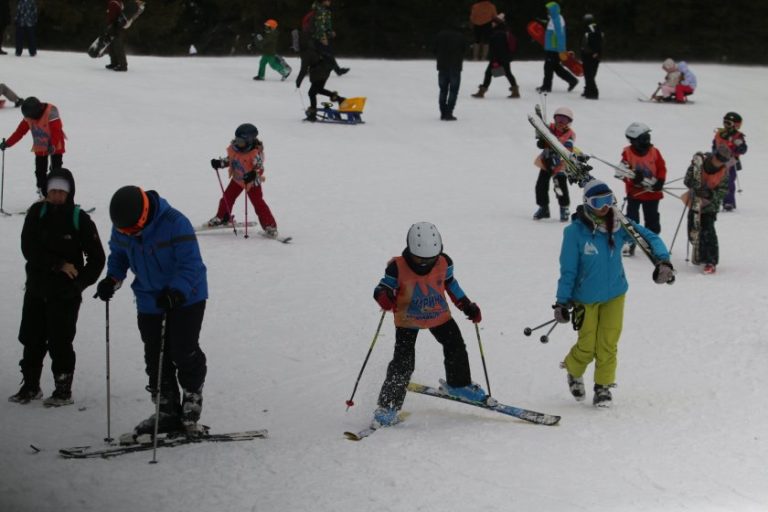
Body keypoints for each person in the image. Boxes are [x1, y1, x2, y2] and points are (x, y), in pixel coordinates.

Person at [96, 185, 209, 436]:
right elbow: (119, 255)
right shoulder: (123, 225)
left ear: (144, 216)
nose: (129, 235)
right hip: (149, 298)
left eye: (133, 230)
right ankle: (166, 408)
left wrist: (176, 291)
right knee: (155, 354)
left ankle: (192, 397)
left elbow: (192, 264)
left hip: (187, 295)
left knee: (182, 349)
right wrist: (112, 279)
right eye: (125, 231)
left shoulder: (176, 223)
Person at [556, 180, 674, 408]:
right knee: (587, 345)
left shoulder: (620, 226)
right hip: (585, 298)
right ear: (587, 203)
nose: (604, 207)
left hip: (615, 294)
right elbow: (568, 270)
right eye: (598, 202)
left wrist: (663, 260)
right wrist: (562, 301)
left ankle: (603, 387)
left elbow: (649, 237)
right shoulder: (574, 233)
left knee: (608, 343)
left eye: (608, 201)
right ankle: (574, 369)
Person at [371, 222, 485, 427]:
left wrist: (467, 305)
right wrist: (383, 296)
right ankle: (388, 405)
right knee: (403, 361)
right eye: (419, 259)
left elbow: (451, 284)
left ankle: (458, 384)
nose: (424, 264)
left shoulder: (444, 262)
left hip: (438, 314)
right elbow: (382, 287)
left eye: (430, 259)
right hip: (408, 318)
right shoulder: (397, 267)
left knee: (455, 346)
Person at [10, 168, 105, 406]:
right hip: (36, 288)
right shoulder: (36, 213)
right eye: (53, 190)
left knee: (60, 341)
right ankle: (30, 386)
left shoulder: (79, 218)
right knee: (31, 338)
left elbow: (97, 259)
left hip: (64, 294)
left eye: (62, 191)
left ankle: (63, 391)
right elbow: (28, 249)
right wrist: (58, 264)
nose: (57, 195)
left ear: (70, 193)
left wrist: (80, 284)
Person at [208, 123, 279, 237]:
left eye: (241, 141)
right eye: (237, 140)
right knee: (227, 198)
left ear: (249, 141)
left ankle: (270, 226)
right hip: (237, 179)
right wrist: (220, 163)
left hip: (252, 183)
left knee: (258, 203)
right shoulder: (235, 149)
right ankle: (222, 217)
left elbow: (260, 168)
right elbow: (231, 160)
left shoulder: (254, 153)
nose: (238, 143)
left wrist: (252, 174)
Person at [0, 97, 66, 196]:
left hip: (56, 145)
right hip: (40, 145)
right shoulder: (29, 116)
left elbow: (56, 130)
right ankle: (42, 192)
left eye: (32, 117)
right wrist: (8, 143)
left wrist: (53, 145)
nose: (30, 119)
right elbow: (20, 132)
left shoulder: (51, 111)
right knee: (40, 171)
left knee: (56, 170)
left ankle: (56, 194)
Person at [619, 122, 667, 256]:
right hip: (635, 193)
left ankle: (653, 241)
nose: (648, 141)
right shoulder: (627, 153)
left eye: (648, 137)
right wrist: (633, 178)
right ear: (635, 140)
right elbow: (622, 172)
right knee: (632, 219)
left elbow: (661, 167)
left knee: (652, 219)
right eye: (644, 138)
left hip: (652, 193)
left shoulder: (654, 152)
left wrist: (660, 181)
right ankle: (630, 241)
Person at [683, 146, 731, 274]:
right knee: (693, 229)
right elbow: (687, 180)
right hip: (694, 202)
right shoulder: (700, 163)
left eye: (723, 160)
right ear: (714, 155)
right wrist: (694, 179)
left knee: (708, 230)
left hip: (710, 206)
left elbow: (723, 191)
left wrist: (710, 194)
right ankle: (699, 253)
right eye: (718, 157)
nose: (719, 162)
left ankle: (711, 261)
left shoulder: (724, 173)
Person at [533, 106, 575, 221]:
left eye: (564, 120)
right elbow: (541, 134)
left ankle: (564, 208)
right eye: (558, 118)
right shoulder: (549, 128)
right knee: (541, 185)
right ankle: (543, 208)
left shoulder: (570, 134)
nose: (560, 122)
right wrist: (541, 142)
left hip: (560, 163)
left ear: (569, 122)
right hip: (546, 161)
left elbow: (567, 149)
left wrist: (557, 159)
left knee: (561, 186)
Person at [470, 14, 519, 99]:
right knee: (507, 73)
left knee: (489, 73)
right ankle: (515, 91)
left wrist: (494, 60)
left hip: (498, 58)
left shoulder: (497, 34)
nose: (491, 24)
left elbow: (497, 49)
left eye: (492, 23)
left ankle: (482, 92)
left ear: (496, 24)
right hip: (505, 57)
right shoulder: (503, 31)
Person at [536, 1, 578, 94]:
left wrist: (561, 50)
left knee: (548, 67)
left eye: (549, 9)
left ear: (553, 10)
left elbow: (560, 34)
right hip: (552, 47)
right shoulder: (553, 18)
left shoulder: (557, 18)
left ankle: (546, 87)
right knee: (556, 67)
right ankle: (572, 80)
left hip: (554, 48)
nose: (547, 11)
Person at [712, 112, 747, 211]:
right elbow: (714, 145)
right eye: (725, 122)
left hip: (730, 162)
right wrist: (714, 153)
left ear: (736, 125)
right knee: (714, 180)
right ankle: (711, 200)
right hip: (717, 160)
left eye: (729, 123)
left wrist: (738, 146)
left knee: (729, 181)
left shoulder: (738, 136)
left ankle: (728, 202)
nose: (726, 125)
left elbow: (743, 149)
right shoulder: (719, 133)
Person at [433, 18, 466, 120]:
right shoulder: (460, 36)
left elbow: (434, 49)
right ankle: (449, 112)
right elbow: (464, 49)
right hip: (455, 65)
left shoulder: (440, 35)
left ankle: (443, 112)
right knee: (453, 90)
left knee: (443, 90)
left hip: (442, 65)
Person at [303, 50, 345, 122]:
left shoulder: (309, 52)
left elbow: (307, 66)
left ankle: (312, 114)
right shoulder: (314, 50)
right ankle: (339, 99)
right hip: (324, 72)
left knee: (311, 93)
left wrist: (300, 79)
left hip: (319, 72)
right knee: (319, 89)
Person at [310, 0, 349, 77]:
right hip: (318, 36)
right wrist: (322, 37)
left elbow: (325, 24)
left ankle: (337, 70)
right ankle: (338, 70)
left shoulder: (324, 10)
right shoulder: (320, 11)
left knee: (324, 54)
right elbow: (319, 25)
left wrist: (330, 31)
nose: (330, 1)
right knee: (327, 54)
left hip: (319, 36)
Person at [580, 13, 602, 100]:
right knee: (589, 73)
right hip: (589, 53)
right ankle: (588, 90)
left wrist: (596, 52)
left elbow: (597, 40)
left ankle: (593, 93)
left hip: (590, 54)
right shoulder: (593, 27)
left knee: (589, 74)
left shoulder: (592, 28)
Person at [105, 0, 128, 71]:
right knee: (112, 45)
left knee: (118, 46)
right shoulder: (118, 2)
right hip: (116, 26)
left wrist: (112, 25)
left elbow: (112, 16)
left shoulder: (113, 3)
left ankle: (123, 65)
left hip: (115, 26)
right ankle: (115, 63)